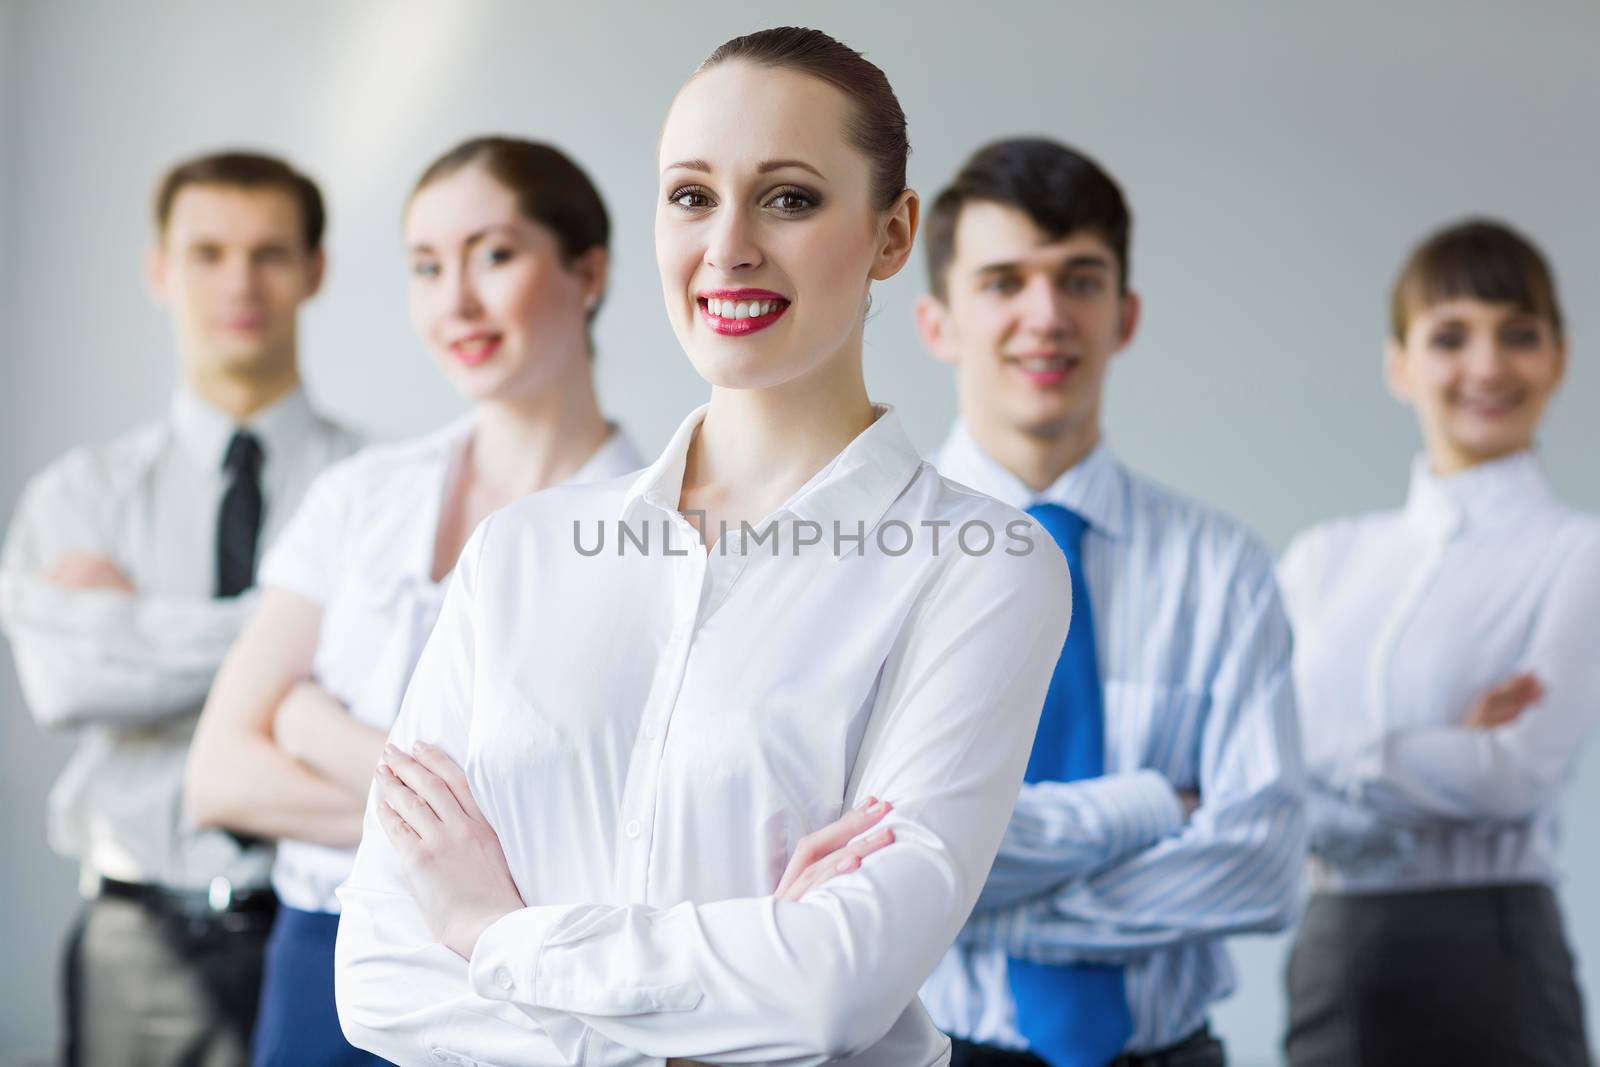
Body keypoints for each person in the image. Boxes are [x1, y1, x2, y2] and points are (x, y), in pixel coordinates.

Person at [333, 27, 1074, 1067]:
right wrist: (708, 1020)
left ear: (893, 234)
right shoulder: (518, 556)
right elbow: (375, 971)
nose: (728, 246)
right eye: (690, 196)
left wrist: (488, 931)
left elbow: (836, 982)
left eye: (789, 197)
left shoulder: (985, 565)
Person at [183, 137, 649, 1066]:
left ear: (587, 270)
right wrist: (464, 816)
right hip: (318, 960)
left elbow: (592, 831)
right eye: (427, 267)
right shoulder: (359, 495)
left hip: (524, 983)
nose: (455, 301)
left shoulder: (656, 535)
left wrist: (313, 727)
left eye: (496, 254)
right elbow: (221, 776)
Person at [913, 138, 1306, 1067]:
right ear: (938, 322)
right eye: (1004, 281)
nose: (1046, 315)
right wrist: (1148, 807)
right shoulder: (871, 564)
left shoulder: (1225, 568)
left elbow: (1263, 865)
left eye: (1079, 279)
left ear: (1124, 315)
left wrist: (974, 903)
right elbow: (877, 853)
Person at [0, 151, 360, 1066]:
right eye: (207, 252)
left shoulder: (382, 492)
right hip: (138, 944)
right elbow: (68, 678)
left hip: (332, 929)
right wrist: (295, 632)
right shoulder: (79, 495)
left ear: (314, 271)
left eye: (270, 252)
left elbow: (407, 696)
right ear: (159, 269)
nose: (239, 281)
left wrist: (139, 629)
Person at [1279, 219, 1596, 1067]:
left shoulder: (1580, 554)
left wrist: (1324, 756)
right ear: (1399, 363)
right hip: (1335, 954)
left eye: (1518, 336)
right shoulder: (1323, 559)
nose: (1488, 366)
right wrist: (1437, 750)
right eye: (1451, 335)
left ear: (1559, 358)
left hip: (1494, 955)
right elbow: (1255, 777)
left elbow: (1513, 779)